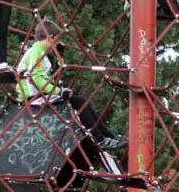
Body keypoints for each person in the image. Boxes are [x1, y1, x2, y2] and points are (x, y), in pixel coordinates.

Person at [17, 18, 127, 152]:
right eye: (56, 41)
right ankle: (101, 139)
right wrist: (59, 91)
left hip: (39, 94)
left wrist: (58, 81)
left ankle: (109, 136)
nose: (55, 46)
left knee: (80, 100)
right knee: (79, 101)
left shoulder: (40, 52)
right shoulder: (36, 51)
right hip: (31, 97)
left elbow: (44, 78)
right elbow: (36, 79)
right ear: (51, 37)